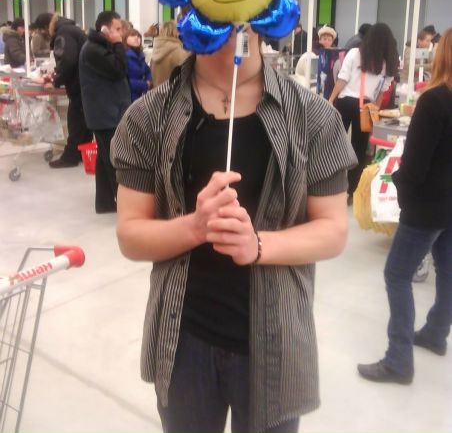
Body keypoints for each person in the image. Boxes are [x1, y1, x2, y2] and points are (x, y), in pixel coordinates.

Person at [111, 22, 357, 433]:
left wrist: (257, 245)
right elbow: (130, 235)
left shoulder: (311, 117)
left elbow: (333, 230)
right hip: (183, 339)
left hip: (276, 342)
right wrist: (196, 226)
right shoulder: (149, 117)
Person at [358, 28, 452, 384]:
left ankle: (398, 360)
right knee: (448, 270)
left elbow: (414, 164)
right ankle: (436, 332)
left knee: (396, 275)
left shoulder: (435, 101)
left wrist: (402, 193)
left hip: (427, 206)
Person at [328, 23, 399, 200]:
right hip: (366, 107)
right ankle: (352, 191)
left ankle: (329, 186)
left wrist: (330, 99)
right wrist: (375, 109)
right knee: (359, 149)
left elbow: (342, 79)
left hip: (346, 102)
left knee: (333, 144)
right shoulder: (388, 62)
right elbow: (382, 91)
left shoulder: (355, 53)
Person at [79, 11, 130, 214]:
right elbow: (118, 69)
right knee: (114, 160)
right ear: (104, 29)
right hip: (105, 114)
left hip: (107, 112)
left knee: (104, 159)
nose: (120, 33)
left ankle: (105, 202)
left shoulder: (98, 47)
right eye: (117, 29)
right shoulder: (93, 50)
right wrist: (118, 44)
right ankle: (125, 205)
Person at [34, 13, 92, 168]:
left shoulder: (63, 32)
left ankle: (70, 157)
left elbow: (68, 60)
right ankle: (82, 153)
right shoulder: (71, 29)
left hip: (80, 83)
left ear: (46, 26)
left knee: (75, 120)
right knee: (83, 120)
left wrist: (55, 81)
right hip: (87, 81)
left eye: (42, 31)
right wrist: (56, 75)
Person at [150, 20, 190, 87]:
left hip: (157, 91)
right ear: (176, 32)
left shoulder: (155, 50)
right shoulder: (178, 52)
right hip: (173, 91)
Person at [124, 28, 152, 102]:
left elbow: (148, 71)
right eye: (132, 35)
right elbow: (124, 81)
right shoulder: (123, 56)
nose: (136, 38)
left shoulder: (140, 55)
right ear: (125, 38)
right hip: (129, 97)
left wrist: (149, 80)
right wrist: (145, 85)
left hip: (141, 96)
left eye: (139, 36)